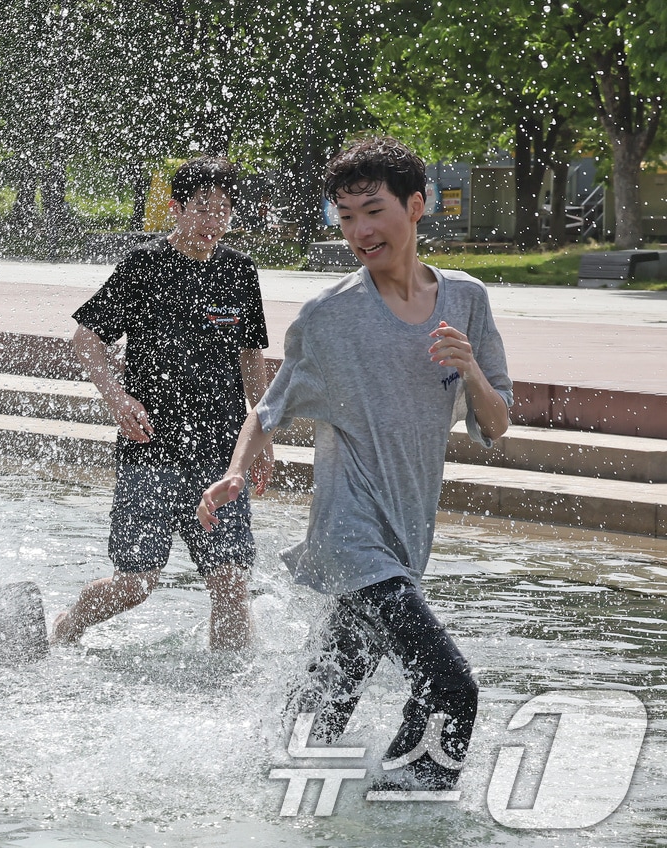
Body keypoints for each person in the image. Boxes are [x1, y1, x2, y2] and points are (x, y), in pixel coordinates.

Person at [197, 136, 513, 791]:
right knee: (452, 687)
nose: (360, 231)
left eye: (373, 211)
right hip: (350, 536)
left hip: (403, 541)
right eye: (345, 217)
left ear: (418, 205)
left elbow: (496, 423)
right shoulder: (332, 315)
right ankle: (404, 811)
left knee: (324, 703)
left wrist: (472, 371)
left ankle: (256, 789)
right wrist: (235, 471)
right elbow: (267, 410)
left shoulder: (467, 301)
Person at [51, 156, 271, 650]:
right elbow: (86, 341)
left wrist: (263, 434)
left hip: (220, 450)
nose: (213, 221)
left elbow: (251, 355)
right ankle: (69, 624)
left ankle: (227, 697)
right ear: (175, 208)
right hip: (150, 448)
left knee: (231, 583)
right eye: (202, 208)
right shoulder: (142, 266)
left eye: (224, 210)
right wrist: (117, 398)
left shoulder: (238, 271)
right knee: (137, 584)